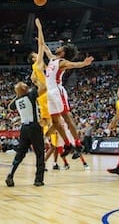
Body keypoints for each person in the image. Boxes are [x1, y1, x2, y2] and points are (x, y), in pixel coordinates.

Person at [41, 20, 94, 158]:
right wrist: (39, 29)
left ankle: (78, 144)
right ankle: (67, 144)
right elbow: (44, 47)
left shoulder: (62, 62)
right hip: (50, 93)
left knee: (66, 117)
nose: (58, 47)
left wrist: (84, 63)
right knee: (55, 122)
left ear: (63, 52)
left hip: (57, 91)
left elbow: (74, 65)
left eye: (61, 47)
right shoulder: (52, 58)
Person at [5, 76, 46, 188]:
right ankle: (38, 179)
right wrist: (37, 81)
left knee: (20, 154)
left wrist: (17, 94)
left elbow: (9, 107)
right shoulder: (31, 95)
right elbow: (44, 88)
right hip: (34, 127)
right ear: (25, 88)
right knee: (40, 153)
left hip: (24, 129)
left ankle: (10, 175)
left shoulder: (17, 101)